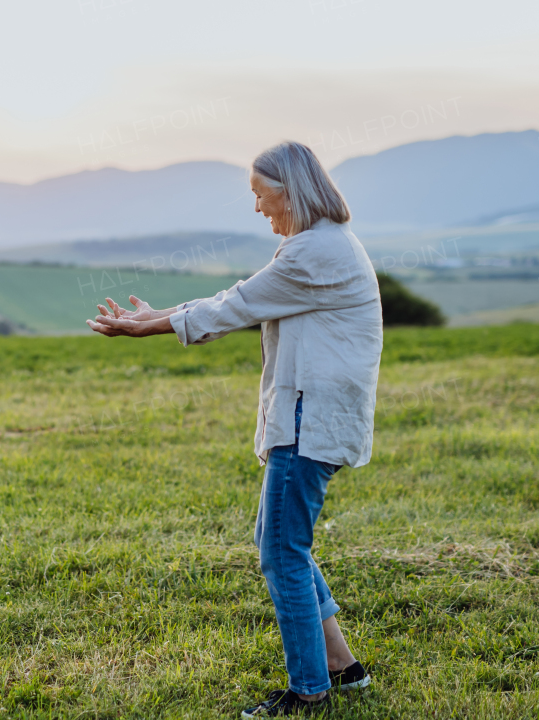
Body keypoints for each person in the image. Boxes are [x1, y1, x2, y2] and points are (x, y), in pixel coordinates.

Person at [87, 141, 382, 717]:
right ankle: (344, 669)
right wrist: (156, 315)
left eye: (259, 194)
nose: (257, 208)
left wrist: (148, 328)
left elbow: (236, 306)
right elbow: (239, 299)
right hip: (311, 415)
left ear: (289, 189)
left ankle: (310, 690)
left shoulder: (313, 253)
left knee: (282, 552)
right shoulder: (315, 246)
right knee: (279, 543)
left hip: (311, 420)